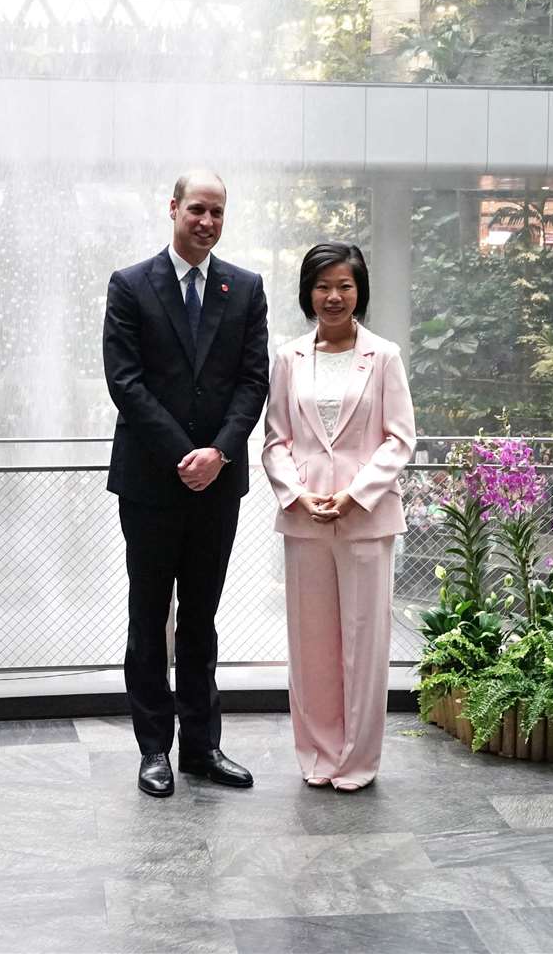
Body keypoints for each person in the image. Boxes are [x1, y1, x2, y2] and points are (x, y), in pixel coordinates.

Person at [102, 169, 270, 798]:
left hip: (217, 486)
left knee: (201, 620)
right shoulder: (130, 285)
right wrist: (184, 454)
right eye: (197, 209)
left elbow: (255, 381)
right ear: (173, 209)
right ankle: (154, 751)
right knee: (150, 619)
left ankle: (202, 747)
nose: (207, 221)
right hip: (151, 484)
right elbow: (126, 382)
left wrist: (220, 453)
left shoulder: (246, 288)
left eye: (218, 212)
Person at [261, 243, 416, 792]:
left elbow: (400, 439)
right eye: (323, 286)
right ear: (308, 292)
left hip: (365, 518)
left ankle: (357, 761)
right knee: (311, 646)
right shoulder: (289, 358)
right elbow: (275, 440)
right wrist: (295, 494)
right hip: (305, 520)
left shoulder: (385, 356)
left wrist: (357, 494)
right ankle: (318, 756)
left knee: (365, 641)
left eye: (344, 286)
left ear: (359, 292)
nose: (333, 296)